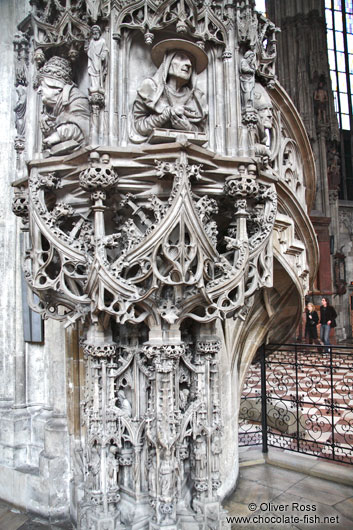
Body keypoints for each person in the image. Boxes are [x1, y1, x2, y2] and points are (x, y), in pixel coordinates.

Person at [132, 39, 208, 140]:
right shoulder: (151, 88)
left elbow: (202, 131)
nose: (189, 64)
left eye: (191, 61)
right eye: (181, 58)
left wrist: (188, 127)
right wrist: (166, 114)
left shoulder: (197, 98)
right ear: (168, 62)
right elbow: (139, 126)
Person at [37, 56, 90, 155]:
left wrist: (58, 135)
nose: (39, 90)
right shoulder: (54, 110)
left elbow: (85, 128)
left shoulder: (77, 99)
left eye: (42, 85)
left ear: (55, 86)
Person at [85, 25, 109, 93]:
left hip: (98, 61)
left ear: (99, 32)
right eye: (93, 32)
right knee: (92, 73)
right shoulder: (91, 41)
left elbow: (105, 50)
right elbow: (88, 50)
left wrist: (103, 55)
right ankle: (94, 86)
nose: (95, 33)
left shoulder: (102, 41)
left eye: (96, 32)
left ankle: (98, 86)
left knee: (98, 72)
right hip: (92, 61)